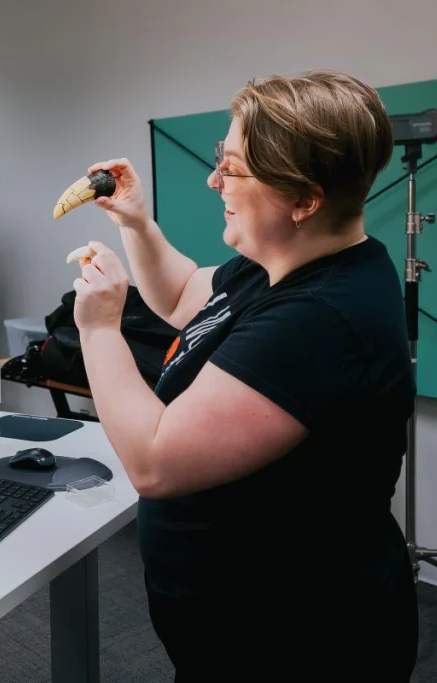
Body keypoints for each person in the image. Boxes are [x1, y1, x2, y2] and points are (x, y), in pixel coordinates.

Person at [73, 70, 418, 681]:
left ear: (303, 199)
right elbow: (182, 295)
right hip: (232, 618)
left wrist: (100, 330)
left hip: (294, 639)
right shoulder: (281, 263)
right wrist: (135, 223)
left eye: (232, 169)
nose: (214, 181)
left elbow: (155, 462)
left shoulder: (321, 318)